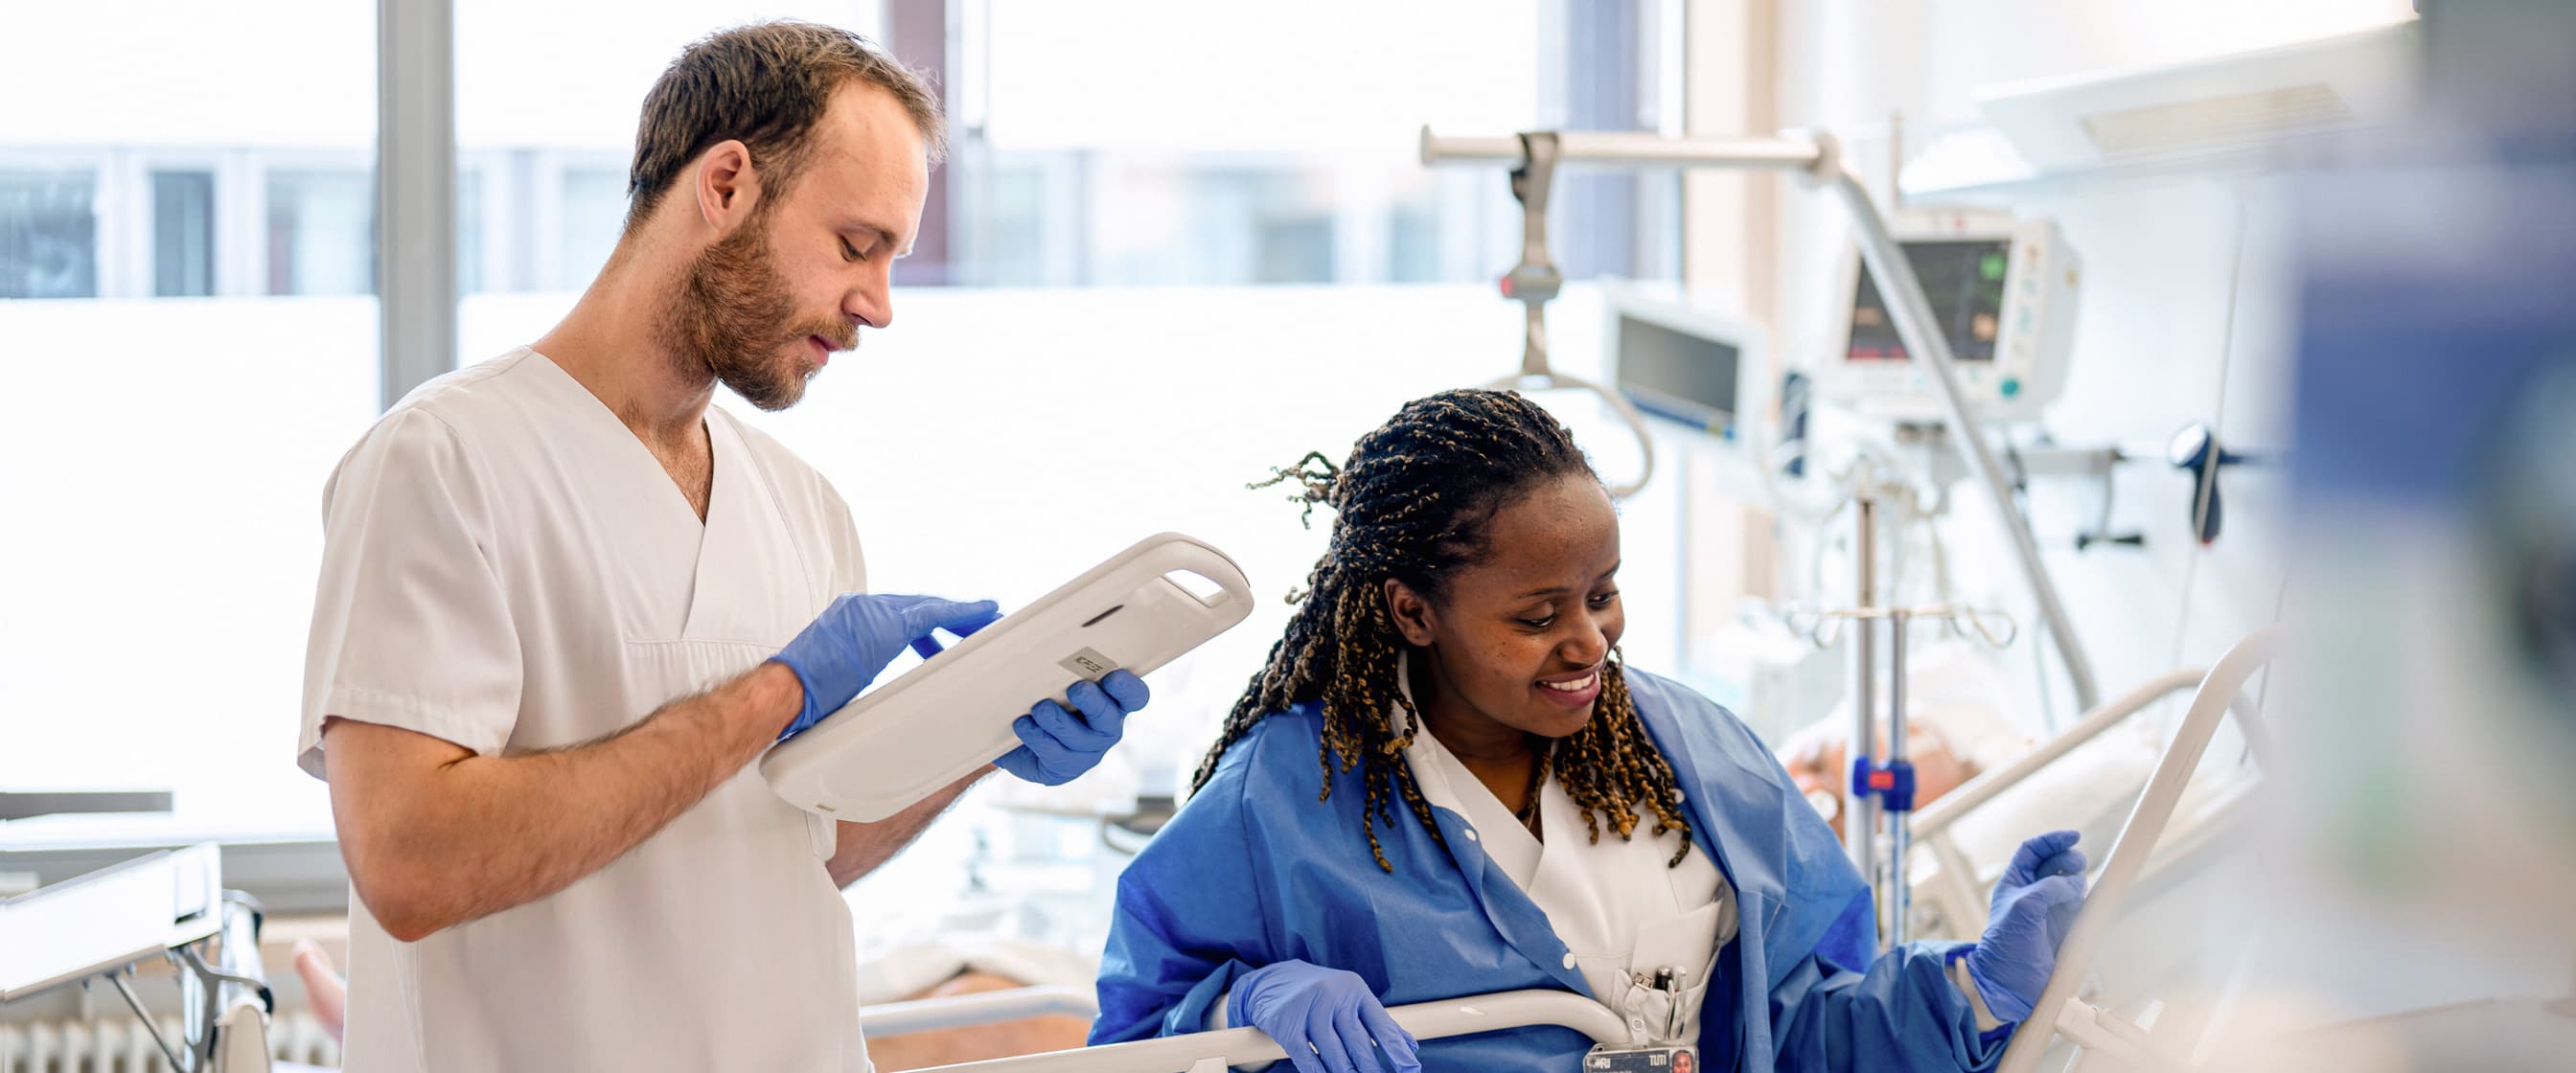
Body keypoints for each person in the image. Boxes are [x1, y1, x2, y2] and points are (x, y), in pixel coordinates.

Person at [297, 21, 1146, 1070]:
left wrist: (984, 738)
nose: (878, 306)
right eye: (857, 245)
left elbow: (793, 851)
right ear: (728, 184)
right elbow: (411, 863)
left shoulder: (804, 507)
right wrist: (774, 694)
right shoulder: (443, 462)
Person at [1092, 390, 2086, 1072]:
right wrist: (1240, 1005)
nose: (1589, 641)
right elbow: (1135, 1042)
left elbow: (1801, 1035)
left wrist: (1974, 991)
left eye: (1602, 595)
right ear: (1412, 612)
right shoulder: (1285, 796)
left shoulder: (1703, 764)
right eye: (1537, 616)